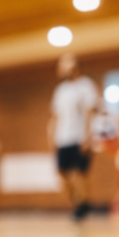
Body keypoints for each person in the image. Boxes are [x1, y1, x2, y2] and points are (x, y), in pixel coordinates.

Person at [48, 54, 98, 221]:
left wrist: (88, 136)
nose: (61, 67)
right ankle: (81, 203)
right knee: (63, 174)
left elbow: (89, 113)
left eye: (65, 63)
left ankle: (81, 206)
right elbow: (55, 116)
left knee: (78, 174)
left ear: (74, 65)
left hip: (79, 137)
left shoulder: (85, 86)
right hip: (62, 138)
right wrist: (51, 136)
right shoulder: (60, 90)